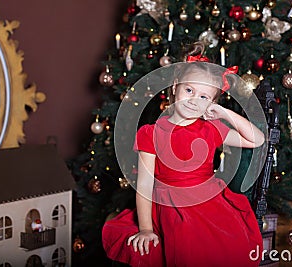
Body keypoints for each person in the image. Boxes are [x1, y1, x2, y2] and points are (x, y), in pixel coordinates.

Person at [102, 42, 265, 267]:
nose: (193, 100)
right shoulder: (152, 133)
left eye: (204, 97)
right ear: (175, 86)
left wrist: (225, 113)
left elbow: (257, 139)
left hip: (209, 202)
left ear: (212, 102)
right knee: (186, 246)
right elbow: (145, 186)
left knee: (226, 248)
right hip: (170, 204)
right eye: (189, 90)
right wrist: (146, 229)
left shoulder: (212, 129)